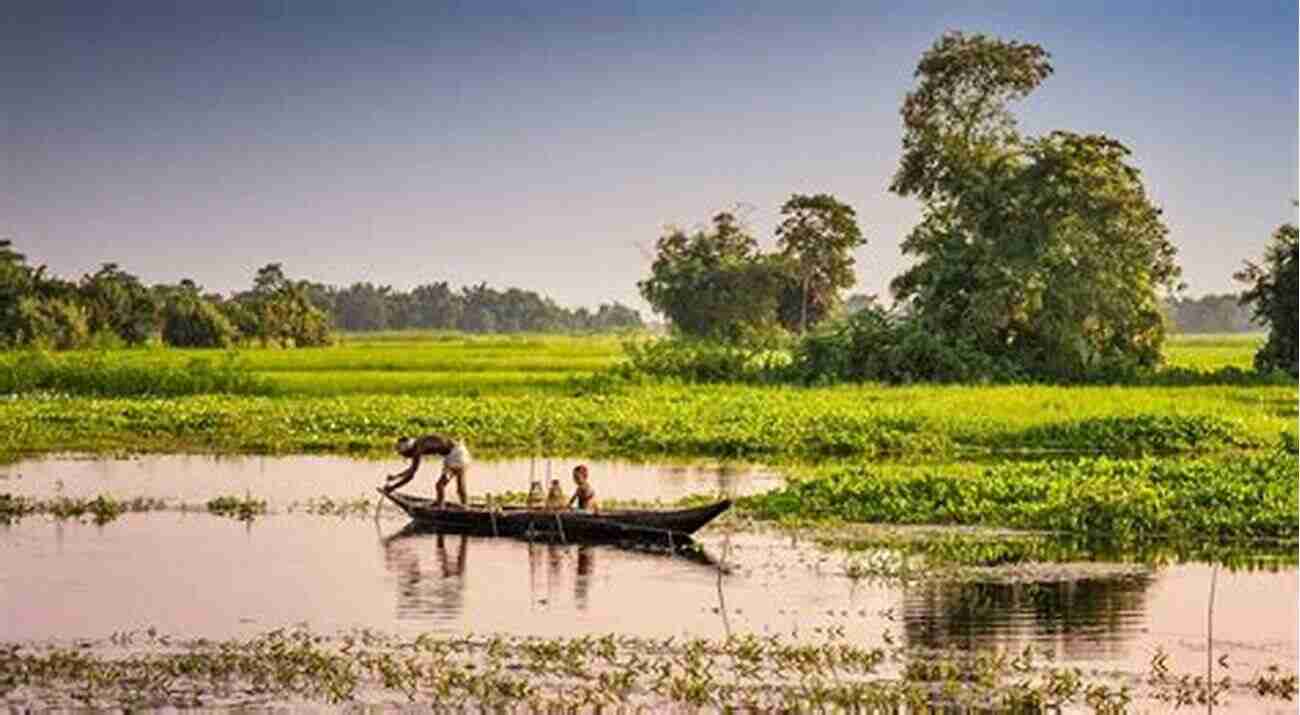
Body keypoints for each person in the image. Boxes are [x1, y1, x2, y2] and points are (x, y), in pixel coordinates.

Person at [382, 434, 471, 508]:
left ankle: (440, 508)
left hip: (455, 455)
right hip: (460, 450)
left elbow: (411, 475)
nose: (407, 456)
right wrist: (396, 477)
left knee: (440, 485)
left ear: (408, 449)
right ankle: (465, 507)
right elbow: (411, 470)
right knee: (459, 487)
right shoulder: (420, 442)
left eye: (405, 453)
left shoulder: (418, 448)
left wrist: (392, 488)